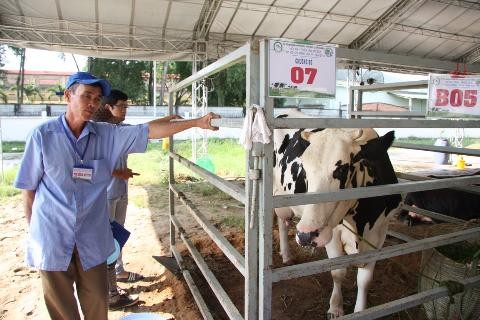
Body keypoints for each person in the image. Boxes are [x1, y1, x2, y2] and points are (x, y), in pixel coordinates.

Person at [14, 71, 219, 320]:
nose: (92, 103)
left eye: (97, 98)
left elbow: (148, 131)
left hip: (91, 239)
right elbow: (29, 191)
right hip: (53, 238)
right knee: (62, 311)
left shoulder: (106, 134)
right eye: (86, 95)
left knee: (98, 305)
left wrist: (196, 122)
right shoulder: (43, 137)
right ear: (68, 95)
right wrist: (36, 233)